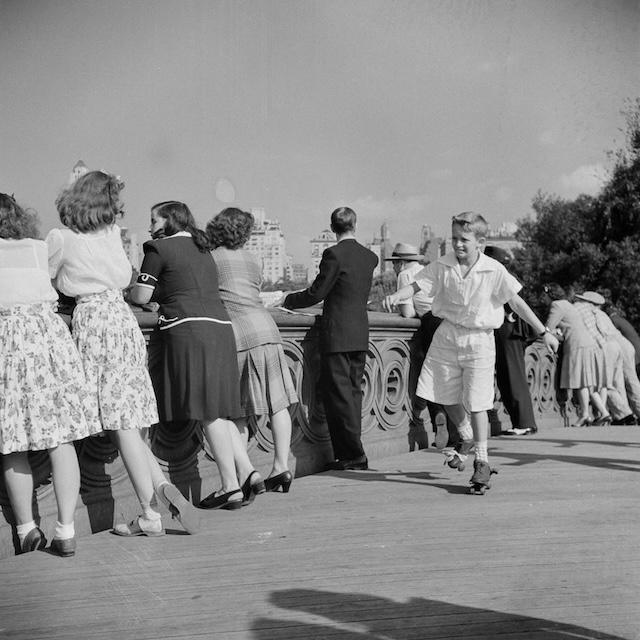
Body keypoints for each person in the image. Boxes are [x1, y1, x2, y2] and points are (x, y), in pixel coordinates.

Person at [49, 172, 200, 537]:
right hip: (122, 321)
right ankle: (161, 487)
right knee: (127, 416)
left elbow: (45, 282)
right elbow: (126, 279)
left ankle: (150, 511)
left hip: (93, 322)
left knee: (119, 420)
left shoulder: (60, 238)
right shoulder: (112, 235)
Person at [384, 212, 558, 494]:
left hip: (479, 339)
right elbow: (417, 285)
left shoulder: (493, 270)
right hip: (447, 335)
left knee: (478, 401)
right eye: (454, 239)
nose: (458, 245)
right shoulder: (443, 265)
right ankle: (464, 434)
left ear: (480, 241)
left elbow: (516, 302)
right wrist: (397, 294)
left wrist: (543, 332)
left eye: (464, 240)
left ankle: (482, 460)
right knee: (441, 391)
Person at [130, 200, 263, 510]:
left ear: (167, 221)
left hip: (189, 330)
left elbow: (141, 295)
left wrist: (139, 294)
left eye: (153, 218)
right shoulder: (203, 248)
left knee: (207, 411)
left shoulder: (157, 249)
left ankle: (230, 487)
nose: (150, 225)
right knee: (220, 408)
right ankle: (247, 471)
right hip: (220, 328)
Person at [0, 193, 98, 556]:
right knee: (61, 440)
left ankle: (26, 528)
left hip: (9, 342)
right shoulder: (38, 248)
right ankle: (66, 529)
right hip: (50, 340)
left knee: (13, 441)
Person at [207, 208, 298, 493]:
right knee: (278, 402)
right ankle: (281, 467)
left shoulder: (211, 257)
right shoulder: (253, 258)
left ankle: (247, 473)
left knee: (237, 409)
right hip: (267, 329)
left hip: (238, 334)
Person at [282, 207, 378, 471]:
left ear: (333, 228)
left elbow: (317, 292)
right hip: (359, 333)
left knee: (339, 397)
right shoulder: (369, 257)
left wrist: (287, 300)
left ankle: (354, 455)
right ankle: (352, 453)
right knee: (353, 394)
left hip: (337, 335)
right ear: (354, 225)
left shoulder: (333, 254)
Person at [383, 242, 457, 449]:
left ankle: (437, 416)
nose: (394, 267)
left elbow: (407, 313)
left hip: (431, 323)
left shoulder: (404, 276)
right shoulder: (427, 271)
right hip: (449, 322)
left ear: (400, 262)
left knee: (431, 375)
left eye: (395, 263)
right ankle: (456, 432)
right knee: (449, 375)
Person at [484, 245, 538, 436]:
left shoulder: (499, 277)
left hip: (508, 332)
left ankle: (524, 423)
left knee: (512, 376)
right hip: (511, 333)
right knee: (510, 376)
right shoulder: (509, 275)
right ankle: (522, 422)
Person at [542, 284, 609, 426]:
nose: (543, 298)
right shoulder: (567, 304)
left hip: (577, 345)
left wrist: (550, 332)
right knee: (586, 382)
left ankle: (587, 415)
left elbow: (547, 328)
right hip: (587, 343)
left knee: (580, 381)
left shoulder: (557, 305)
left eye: (544, 295)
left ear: (549, 295)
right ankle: (601, 413)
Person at [581, 293, 640, 424]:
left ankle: (624, 415)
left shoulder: (593, 314)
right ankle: (633, 413)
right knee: (630, 381)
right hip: (624, 344)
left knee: (609, 382)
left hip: (610, 344)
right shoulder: (604, 315)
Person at [572, 291, 620, 425]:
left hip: (590, 346)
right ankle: (601, 415)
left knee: (588, 381)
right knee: (602, 382)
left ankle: (601, 413)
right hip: (604, 345)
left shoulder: (578, 308)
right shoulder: (595, 312)